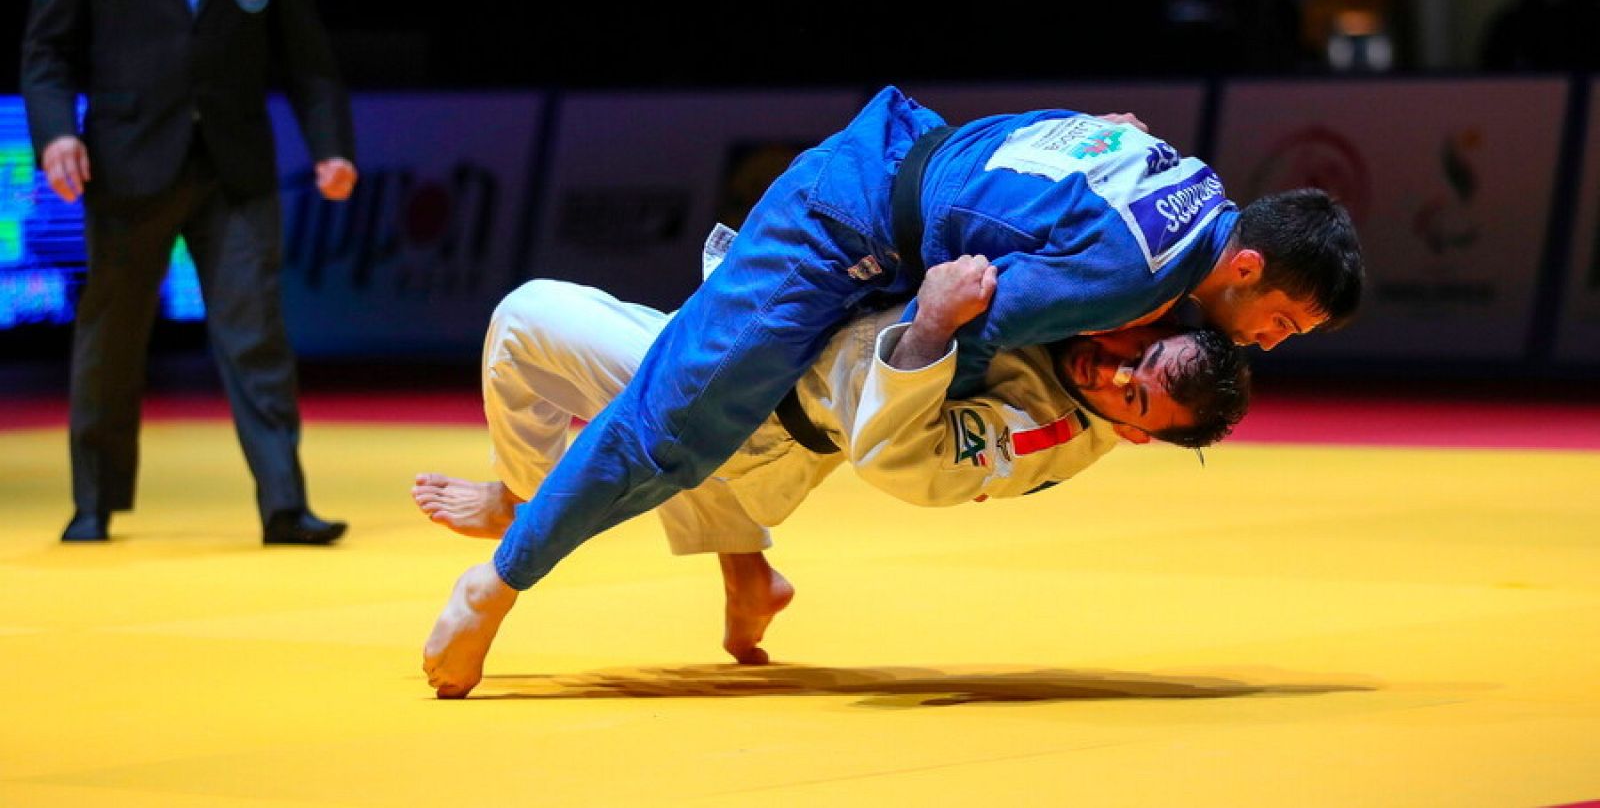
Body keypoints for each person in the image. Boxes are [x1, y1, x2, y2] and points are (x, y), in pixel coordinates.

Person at [424, 86, 1363, 689]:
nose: (1269, 343)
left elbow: (1092, 135)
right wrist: (970, 327)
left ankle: (726, 551)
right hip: (844, 224)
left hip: (907, 147)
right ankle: (493, 587)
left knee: (720, 410)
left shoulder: (1187, 176)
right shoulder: (1137, 277)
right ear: (1243, 266)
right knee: (670, 429)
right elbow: (975, 320)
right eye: (1280, 321)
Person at [419, 259, 1249, 694]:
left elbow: (894, 457)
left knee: (527, 320)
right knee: (666, 407)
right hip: (771, 376)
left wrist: (931, 321)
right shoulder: (1119, 302)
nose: (1109, 371)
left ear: (1135, 435)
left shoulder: (1043, 434)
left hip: (773, 418)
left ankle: (523, 499)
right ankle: (748, 571)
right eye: (1131, 353)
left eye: (1130, 394)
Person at [20, 0, 356, 545]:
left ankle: (284, 503)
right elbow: (45, 51)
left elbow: (304, 49)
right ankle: (95, 502)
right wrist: (56, 133)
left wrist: (330, 146)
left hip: (235, 166)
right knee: (111, 336)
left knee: (257, 334)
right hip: (128, 164)